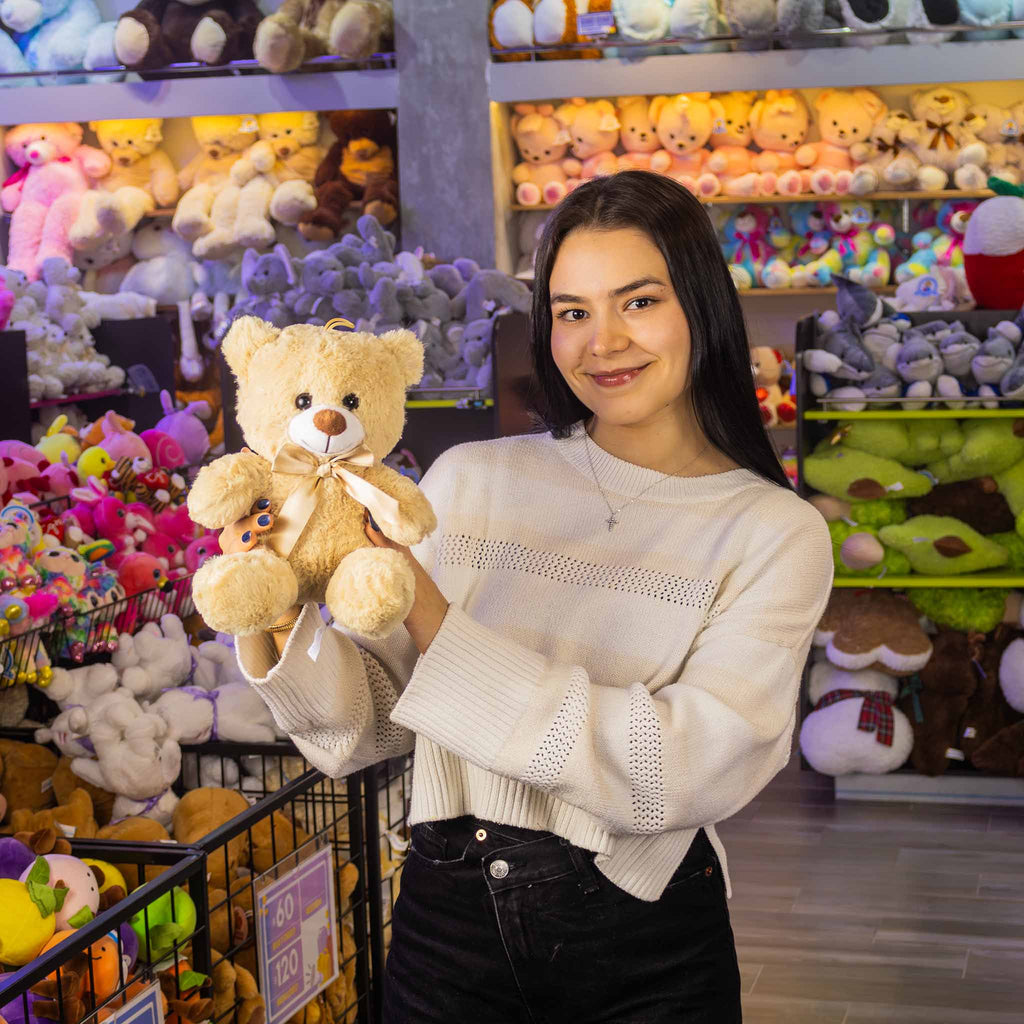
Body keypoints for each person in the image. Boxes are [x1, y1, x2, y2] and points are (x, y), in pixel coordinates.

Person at [222, 170, 834, 1023]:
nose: (603, 341)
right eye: (573, 311)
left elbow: (679, 770)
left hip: (643, 939)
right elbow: (372, 725)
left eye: (640, 301)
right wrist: (278, 607)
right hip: (445, 924)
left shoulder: (772, 530)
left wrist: (431, 613)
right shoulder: (473, 479)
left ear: (701, 305)